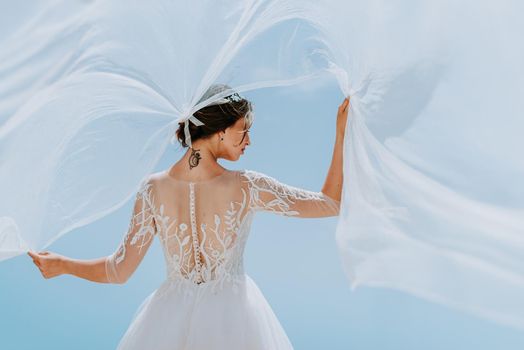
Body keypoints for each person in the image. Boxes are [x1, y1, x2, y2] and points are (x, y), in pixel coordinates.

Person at [27, 85, 350, 349]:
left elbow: (119, 270)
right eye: (243, 131)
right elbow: (329, 204)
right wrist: (341, 134)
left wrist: (62, 265)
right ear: (220, 131)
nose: (249, 140)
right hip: (235, 319)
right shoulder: (247, 185)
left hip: (165, 320)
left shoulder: (151, 189)